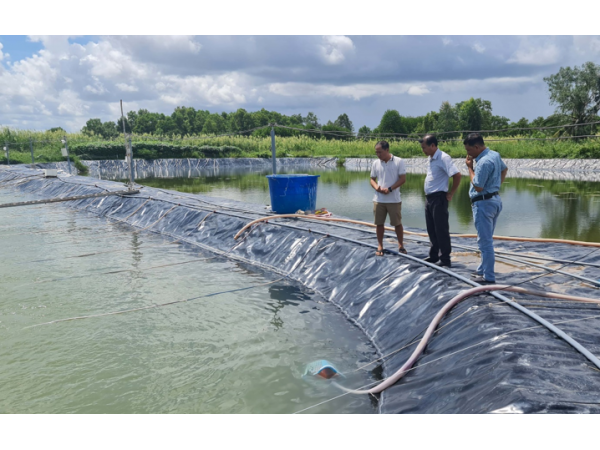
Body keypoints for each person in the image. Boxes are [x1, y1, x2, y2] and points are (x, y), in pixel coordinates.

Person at [464, 133, 508, 284]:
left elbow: (478, 186)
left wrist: (470, 168)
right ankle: (482, 270)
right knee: (485, 239)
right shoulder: (494, 154)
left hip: (484, 203)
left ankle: (488, 277)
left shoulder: (483, 162)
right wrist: (495, 186)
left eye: (470, 151)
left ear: (477, 147)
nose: (469, 155)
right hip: (494, 200)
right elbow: (504, 170)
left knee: (485, 242)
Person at [419, 134, 462, 267]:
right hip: (429, 198)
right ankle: (433, 256)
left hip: (439, 198)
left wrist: (451, 193)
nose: (423, 150)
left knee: (441, 229)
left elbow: (457, 175)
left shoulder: (443, 157)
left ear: (433, 145)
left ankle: (444, 259)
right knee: (431, 228)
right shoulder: (431, 158)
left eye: (424, 147)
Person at [370, 140, 406, 256]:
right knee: (379, 224)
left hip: (393, 200)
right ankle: (380, 245)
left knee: (397, 223)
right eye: (376, 153)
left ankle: (400, 245)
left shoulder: (398, 161)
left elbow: (402, 179)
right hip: (379, 199)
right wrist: (377, 187)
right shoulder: (376, 163)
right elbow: (372, 179)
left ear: (387, 150)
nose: (378, 155)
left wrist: (390, 189)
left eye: (380, 152)